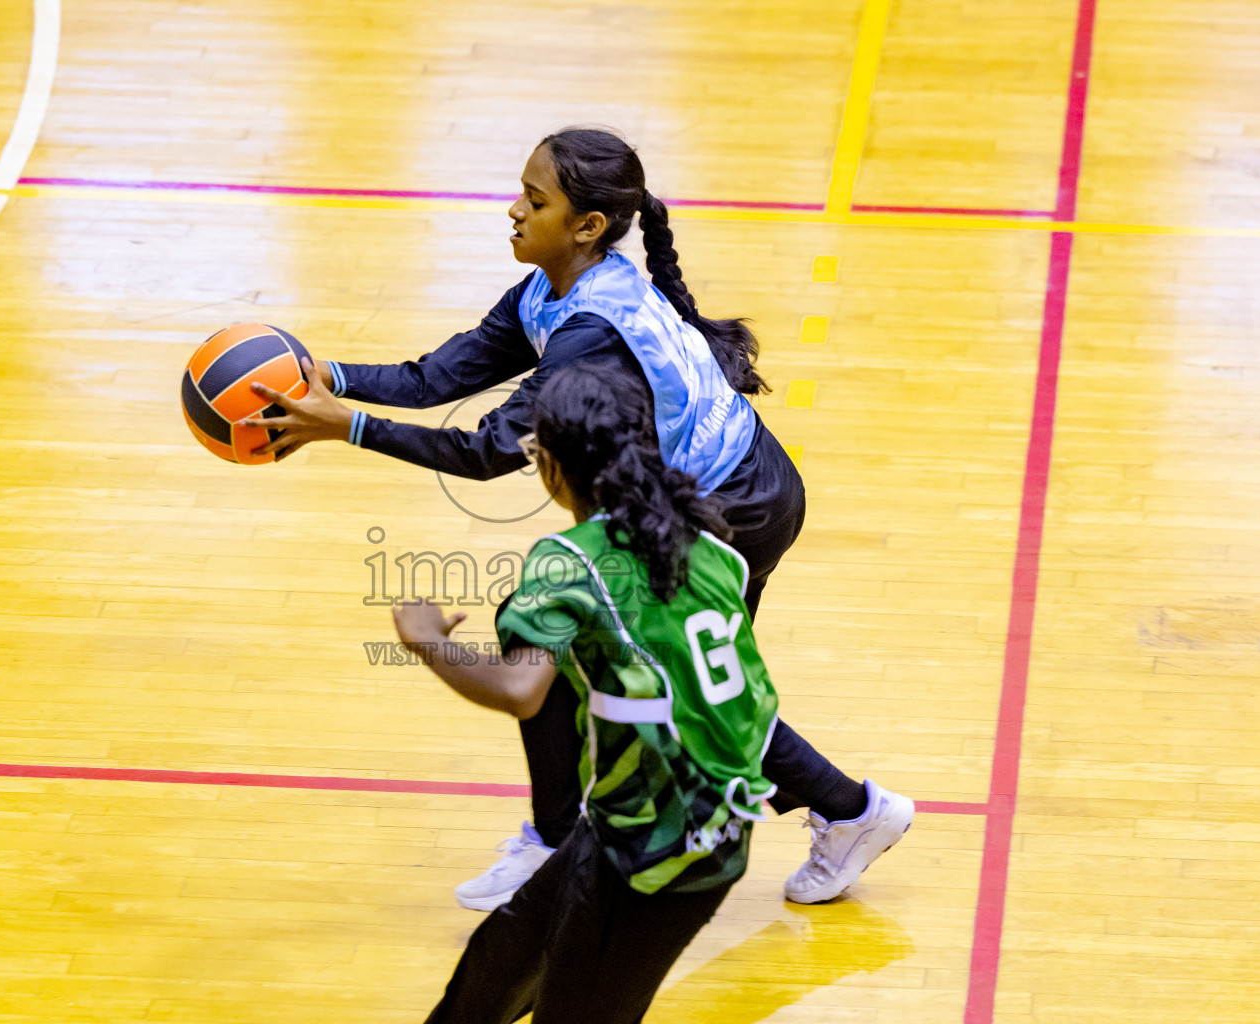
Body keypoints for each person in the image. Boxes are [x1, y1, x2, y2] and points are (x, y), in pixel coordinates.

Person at [248, 126, 911, 908]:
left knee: (560, 633)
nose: (513, 213)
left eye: (535, 201)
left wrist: (344, 427)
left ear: (588, 225)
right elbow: (439, 376)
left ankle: (563, 838)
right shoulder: (552, 286)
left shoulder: (593, 331)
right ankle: (848, 813)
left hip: (733, 501)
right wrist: (330, 376)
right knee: (695, 687)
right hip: (737, 481)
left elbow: (491, 451)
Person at [394, 364, 784, 1023]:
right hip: (658, 817)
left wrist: (426, 638)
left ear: (547, 465)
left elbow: (522, 689)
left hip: (663, 849)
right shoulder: (702, 541)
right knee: (493, 975)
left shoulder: (568, 559)